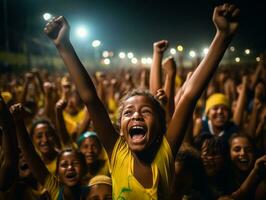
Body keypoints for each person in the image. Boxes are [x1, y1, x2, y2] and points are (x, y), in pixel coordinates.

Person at [44, 3, 240, 199]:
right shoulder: (117, 152)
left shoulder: (166, 151)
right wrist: (64, 45)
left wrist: (222, 37)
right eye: (128, 112)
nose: (136, 115)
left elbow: (189, 96)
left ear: (160, 126)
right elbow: (90, 98)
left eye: (145, 111)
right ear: (121, 128)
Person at [10, 104, 88, 200]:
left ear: (85, 169)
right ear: (57, 173)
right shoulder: (55, 190)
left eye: (75, 163)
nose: (70, 167)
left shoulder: (93, 192)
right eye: (64, 165)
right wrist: (18, 122)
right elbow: (28, 151)